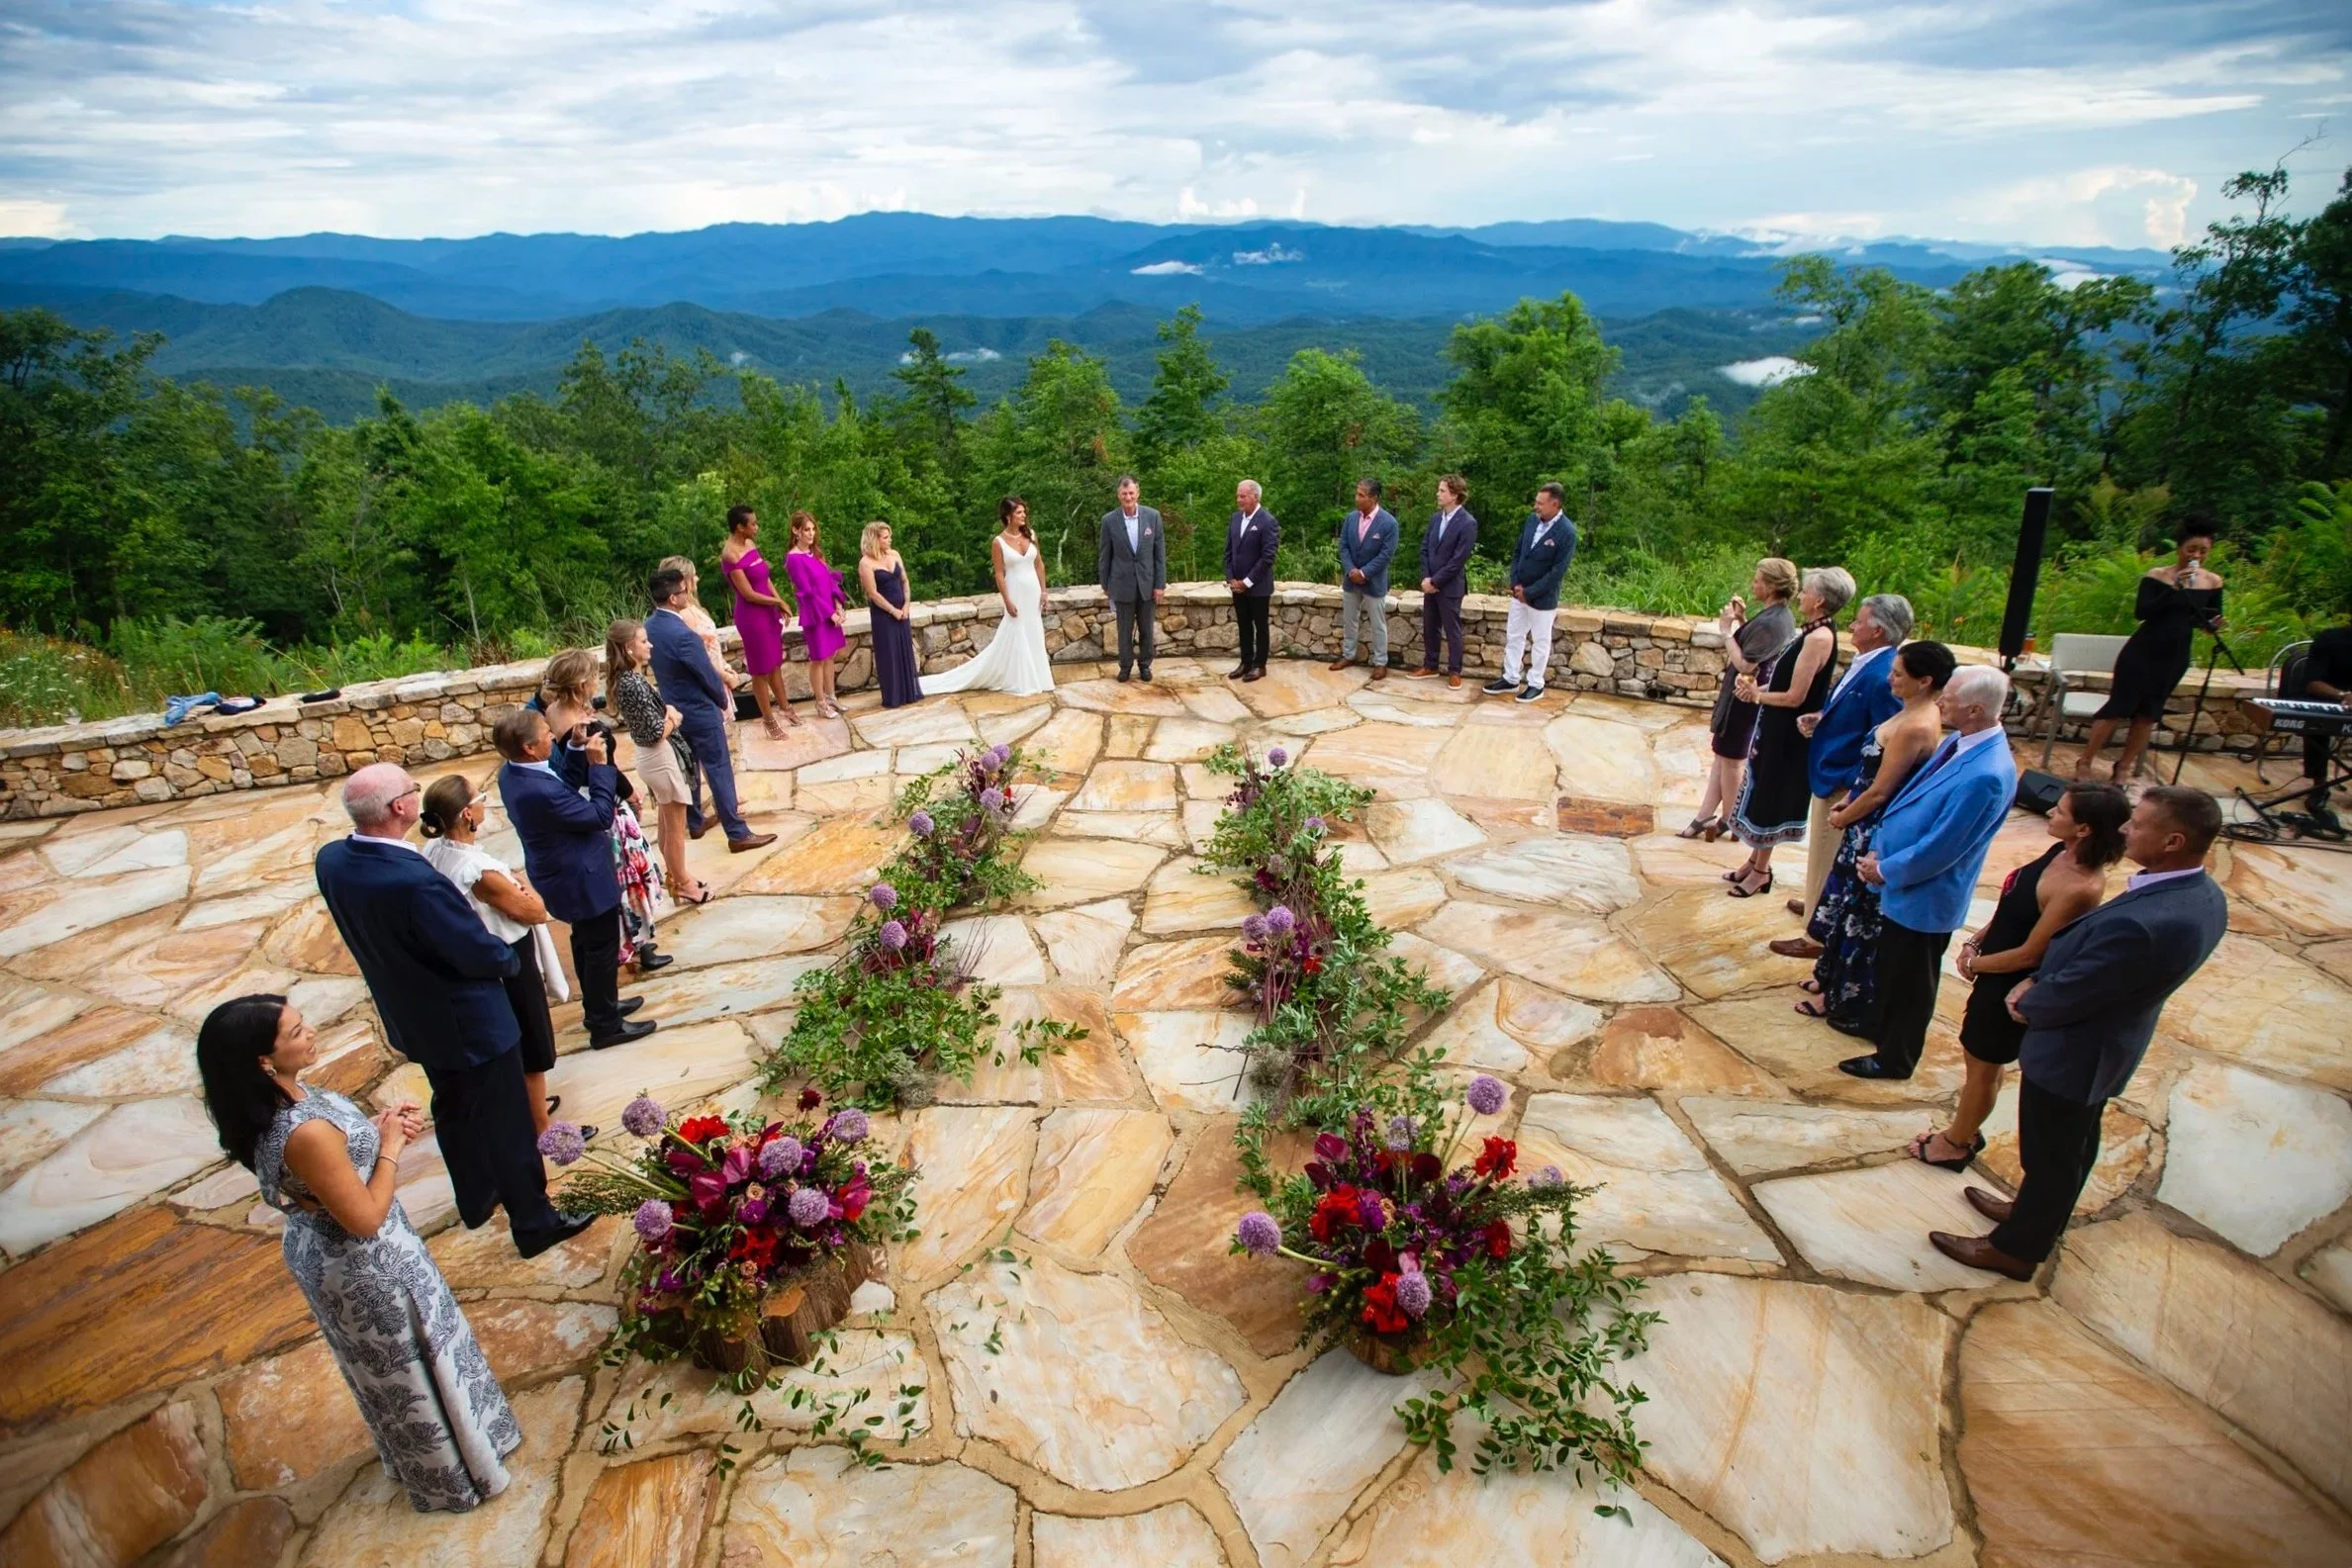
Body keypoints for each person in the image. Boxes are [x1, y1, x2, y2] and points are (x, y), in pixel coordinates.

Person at [197, 994, 524, 1511]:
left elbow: (327, 1175)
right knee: (413, 1364)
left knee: (405, 1365)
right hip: (365, 1266)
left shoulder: (275, 1101)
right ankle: (461, 1474)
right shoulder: (301, 1133)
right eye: (296, 1032)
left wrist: (373, 1133)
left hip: (336, 1250)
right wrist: (392, 1146)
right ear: (264, 1060)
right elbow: (366, 1218)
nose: (310, 1033)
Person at [1930, 785, 2228, 1279]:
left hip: (2078, 1052)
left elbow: (2081, 987)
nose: (2127, 830)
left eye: (2140, 824)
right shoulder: (2199, 893)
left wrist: (2026, 995)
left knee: (2053, 1153)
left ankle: (2016, 1249)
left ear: (2174, 841)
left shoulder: (2148, 921)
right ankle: (2032, 1212)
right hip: (2103, 1045)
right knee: (2067, 1148)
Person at [313, 763, 589, 1259]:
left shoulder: (332, 860)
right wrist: (508, 961)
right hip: (470, 1021)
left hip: (414, 1017)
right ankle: (534, 1221)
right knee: (506, 1120)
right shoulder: (411, 880)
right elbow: (474, 949)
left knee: (455, 1107)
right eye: (412, 789)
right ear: (401, 808)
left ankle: (477, 1198)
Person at [1910, 782, 2129, 1171]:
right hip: (1992, 966)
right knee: (1975, 1059)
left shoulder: (2080, 886)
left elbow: (2031, 953)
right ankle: (1964, 1128)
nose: (2049, 813)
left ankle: (1957, 1142)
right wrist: (1977, 940)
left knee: (1983, 1069)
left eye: (2060, 811)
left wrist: (1976, 965)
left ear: (2084, 829)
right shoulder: (2059, 852)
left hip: (2008, 985)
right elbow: (2015, 904)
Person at [1840, 664, 2018, 1080]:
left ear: (1975, 709)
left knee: (1911, 982)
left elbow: (1943, 847)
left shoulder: (1987, 775)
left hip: (1926, 894)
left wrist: (1884, 868)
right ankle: (1878, 1028)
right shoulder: (1961, 740)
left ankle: (1895, 1057)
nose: (1939, 702)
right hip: (1903, 885)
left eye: (1949, 699)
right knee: (1891, 968)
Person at [1797, 639, 1954, 1031]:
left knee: (1859, 912)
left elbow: (1883, 789)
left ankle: (1840, 997)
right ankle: (1828, 975)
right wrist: (1850, 797)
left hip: (1873, 828)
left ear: (1925, 681)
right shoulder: (1912, 712)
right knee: (1845, 902)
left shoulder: (1916, 727)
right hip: (1861, 818)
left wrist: (1846, 815)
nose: (1890, 679)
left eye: (1898, 674)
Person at [419, 774, 580, 1138]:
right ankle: (542, 1129)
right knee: (531, 1040)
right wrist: (523, 888)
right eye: (481, 799)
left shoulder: (435, 852)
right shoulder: (477, 871)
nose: (485, 804)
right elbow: (535, 910)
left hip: (485, 952)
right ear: (467, 815)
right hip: (509, 954)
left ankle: (528, 1108)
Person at [495, 708, 656, 1052]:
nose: (553, 736)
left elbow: (564, 788)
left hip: (563, 872)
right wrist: (598, 768)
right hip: (579, 876)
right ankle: (605, 1025)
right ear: (527, 747)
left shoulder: (513, 773)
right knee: (599, 947)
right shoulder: (535, 791)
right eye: (545, 734)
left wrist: (577, 748)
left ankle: (600, 1007)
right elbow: (598, 815)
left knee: (586, 942)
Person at [1773, 593, 1913, 955]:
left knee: (1827, 847)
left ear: (1879, 631)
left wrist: (1851, 780)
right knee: (1821, 853)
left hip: (1843, 778)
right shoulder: (1871, 662)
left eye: (1860, 621)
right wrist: (1821, 719)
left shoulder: (1884, 676)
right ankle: (1816, 900)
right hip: (1831, 768)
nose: (1851, 625)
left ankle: (1813, 936)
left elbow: (1884, 738)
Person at [1724, 567, 1850, 896]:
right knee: (1762, 787)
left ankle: (1761, 872)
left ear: (1819, 600)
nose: (1801, 595)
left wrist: (1757, 695)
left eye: (1807, 591)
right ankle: (1753, 862)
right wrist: (1761, 687)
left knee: (1771, 796)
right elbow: (1787, 682)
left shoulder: (1819, 638)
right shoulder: (1814, 631)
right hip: (1776, 727)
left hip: (1788, 736)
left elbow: (1796, 696)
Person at [536, 651, 665, 975]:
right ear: (582, 683)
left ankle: (636, 946)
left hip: (580, 795)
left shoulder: (552, 710)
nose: (597, 680)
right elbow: (606, 765)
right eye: (593, 675)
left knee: (620, 879)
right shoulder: (586, 726)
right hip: (602, 798)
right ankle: (640, 945)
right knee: (629, 877)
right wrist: (629, 792)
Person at [2075, 517, 2225, 782]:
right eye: (2191, 549)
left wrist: (2213, 625)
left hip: (2176, 653)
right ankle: (2085, 761)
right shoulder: (2157, 576)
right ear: (2179, 548)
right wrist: (2174, 588)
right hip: (2144, 650)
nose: (2197, 556)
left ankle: (2124, 766)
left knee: (2149, 712)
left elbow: (2203, 619)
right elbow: (2143, 612)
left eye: (2203, 551)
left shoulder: (2212, 582)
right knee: (2118, 706)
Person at [646, 566, 776, 856]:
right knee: (718, 768)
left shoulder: (650, 627)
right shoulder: (684, 635)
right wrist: (721, 699)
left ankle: (695, 821)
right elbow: (706, 675)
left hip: (674, 708)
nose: (687, 594)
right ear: (672, 599)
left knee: (689, 767)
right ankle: (737, 832)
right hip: (700, 711)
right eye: (682, 591)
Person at [1682, 558, 1799, 841]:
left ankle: (1731, 820)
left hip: (1745, 697)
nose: (1753, 584)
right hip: (1742, 696)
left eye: (1758, 580)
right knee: (1722, 757)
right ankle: (1704, 815)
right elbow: (1758, 645)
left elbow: (1747, 664)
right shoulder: (1775, 615)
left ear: (1771, 587)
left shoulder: (1775, 621)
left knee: (1732, 760)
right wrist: (1744, 621)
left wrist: (1726, 631)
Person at [605, 619, 709, 907]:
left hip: (652, 759)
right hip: (659, 758)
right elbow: (653, 733)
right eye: (643, 641)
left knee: (666, 823)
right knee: (675, 828)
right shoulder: (633, 683)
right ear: (628, 648)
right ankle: (684, 885)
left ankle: (677, 876)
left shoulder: (627, 679)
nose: (649, 645)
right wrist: (673, 718)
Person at [922, 497, 1057, 697]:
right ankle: (1021, 679)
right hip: (1016, 592)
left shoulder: (1031, 535)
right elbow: (999, 573)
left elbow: (1039, 564)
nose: (1024, 516)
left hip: (1033, 593)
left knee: (1034, 630)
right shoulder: (999, 542)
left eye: (1024, 512)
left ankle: (1040, 677)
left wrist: (1044, 591)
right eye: (1019, 512)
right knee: (1017, 631)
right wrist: (1007, 600)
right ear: (1008, 516)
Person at [1482, 482, 1578, 703]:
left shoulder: (1566, 532)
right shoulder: (1531, 521)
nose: (1536, 506)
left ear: (1555, 504)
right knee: (1514, 635)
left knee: (1540, 641)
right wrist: (1515, 582)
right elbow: (1519, 551)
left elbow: (1557, 571)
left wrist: (1531, 592)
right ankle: (1510, 677)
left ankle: (1536, 683)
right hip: (1519, 593)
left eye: (1540, 503)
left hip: (1542, 598)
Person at [719, 506, 798, 739]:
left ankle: (785, 708)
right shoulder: (730, 554)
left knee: (774, 662)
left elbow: (764, 578)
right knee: (760, 670)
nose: (756, 527)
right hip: (752, 616)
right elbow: (748, 594)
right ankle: (768, 719)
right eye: (752, 524)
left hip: (768, 611)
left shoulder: (751, 545)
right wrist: (776, 601)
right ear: (739, 527)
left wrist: (779, 601)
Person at [1328, 477, 1398, 681]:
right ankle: (1348, 655)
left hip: (1374, 583)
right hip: (1351, 581)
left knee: (1378, 624)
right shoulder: (1351, 518)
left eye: (1361, 495)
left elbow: (1386, 555)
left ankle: (1380, 662)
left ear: (1374, 498)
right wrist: (1351, 571)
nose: (1356, 498)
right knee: (1350, 620)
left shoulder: (1389, 523)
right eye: (1356, 493)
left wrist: (1364, 573)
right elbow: (1344, 547)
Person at [1410, 475, 1477, 689]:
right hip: (1430, 584)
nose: (1437, 494)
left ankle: (1455, 671)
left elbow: (1458, 559)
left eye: (1442, 491)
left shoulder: (1468, 523)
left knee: (1452, 629)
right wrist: (1426, 577)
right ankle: (1430, 665)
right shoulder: (1435, 518)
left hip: (1450, 586)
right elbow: (1424, 549)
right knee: (1430, 626)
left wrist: (1436, 581)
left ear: (1455, 495)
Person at [1098, 476, 1167, 683]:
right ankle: (1125, 666)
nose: (1128, 497)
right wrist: (1105, 583)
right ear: (1118, 495)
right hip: (1121, 583)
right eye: (1124, 493)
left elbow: (1159, 553)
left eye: (1131, 493)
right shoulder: (1109, 520)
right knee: (1124, 629)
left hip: (1147, 583)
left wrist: (1159, 585)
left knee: (1147, 628)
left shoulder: (1152, 517)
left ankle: (1145, 665)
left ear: (1137, 493)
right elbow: (1104, 554)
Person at [782, 512, 849, 720]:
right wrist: (829, 614)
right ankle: (820, 703)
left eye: (813, 529)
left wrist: (838, 605)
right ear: (796, 531)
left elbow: (829, 581)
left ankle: (831, 696)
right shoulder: (794, 559)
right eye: (806, 530)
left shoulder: (816, 553)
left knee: (830, 655)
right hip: (815, 614)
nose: (811, 534)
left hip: (830, 610)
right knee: (818, 658)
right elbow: (806, 591)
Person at [2288, 609, 2352, 824]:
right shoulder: (2329, 640)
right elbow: (2312, 683)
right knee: (2317, 725)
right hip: (2327, 699)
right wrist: (2342, 695)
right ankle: (2319, 785)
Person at [656, 554, 746, 699]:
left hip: (717, 675)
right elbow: (699, 656)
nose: (697, 579)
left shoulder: (693, 607)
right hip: (708, 682)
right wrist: (725, 676)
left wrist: (726, 667)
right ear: (684, 581)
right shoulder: (683, 615)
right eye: (694, 575)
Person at [858, 519, 922, 708]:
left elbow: (905, 581)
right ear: (874, 540)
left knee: (904, 651)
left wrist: (907, 606)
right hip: (883, 615)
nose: (890, 540)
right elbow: (872, 594)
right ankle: (894, 696)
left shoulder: (894, 555)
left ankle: (909, 693)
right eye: (886, 537)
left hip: (902, 612)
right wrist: (892, 610)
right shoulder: (866, 563)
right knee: (889, 653)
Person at [1224, 479, 1279, 683]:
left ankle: (1259, 665)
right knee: (1243, 625)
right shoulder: (1235, 519)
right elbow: (1229, 552)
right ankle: (1245, 662)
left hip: (1258, 587)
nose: (1238, 499)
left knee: (1260, 626)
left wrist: (1246, 582)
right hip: (1237, 586)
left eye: (1243, 496)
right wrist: (1231, 578)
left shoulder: (1267, 521)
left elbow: (1268, 558)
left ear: (1255, 496)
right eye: (1238, 495)